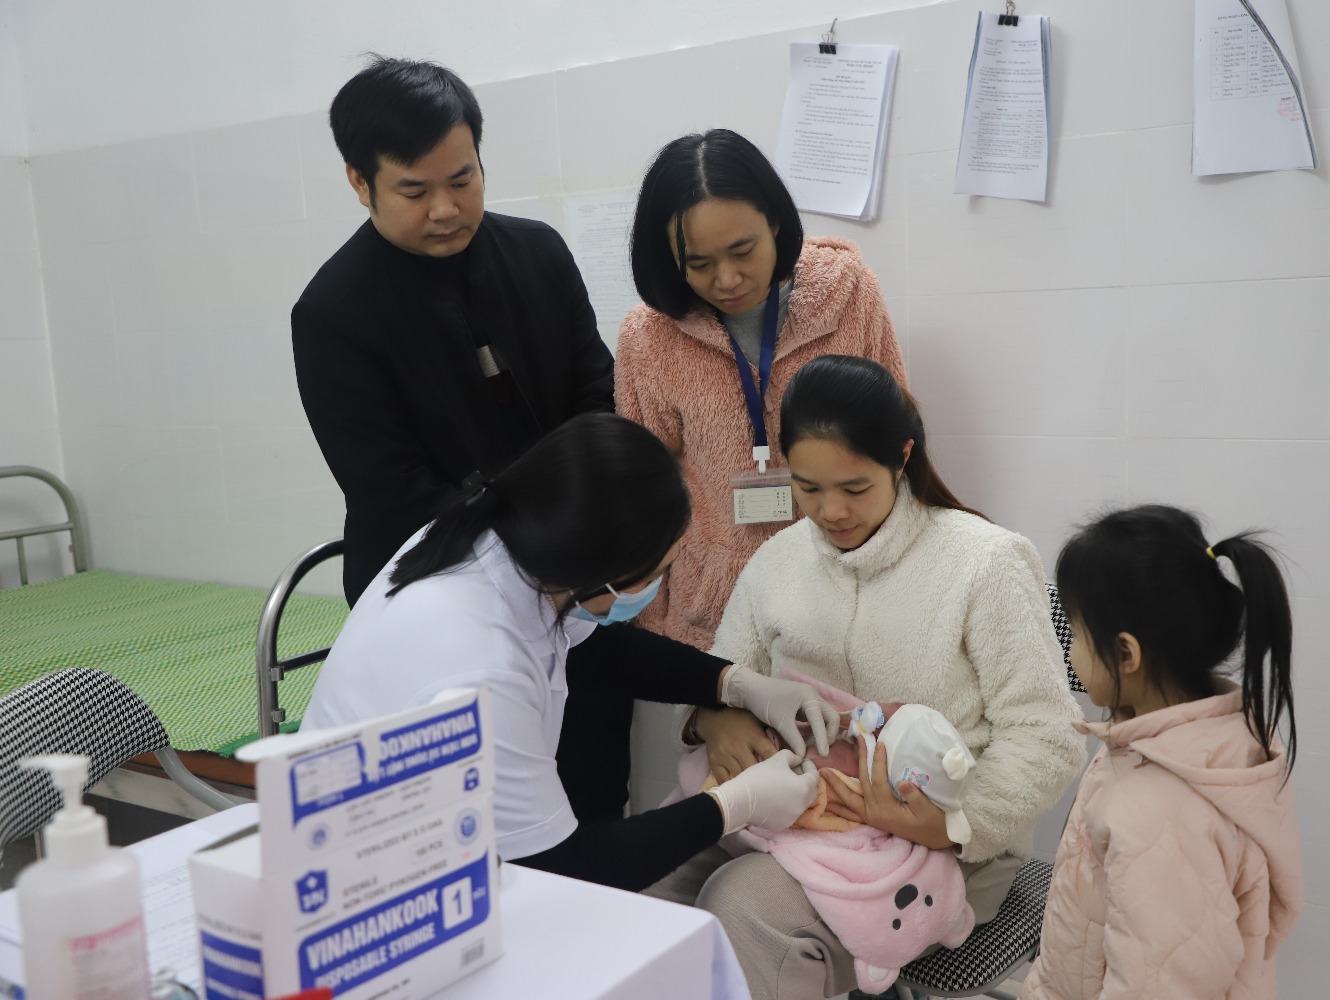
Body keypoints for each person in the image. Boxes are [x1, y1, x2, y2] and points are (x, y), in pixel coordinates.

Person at [648, 357, 1086, 1000]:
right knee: (653, 875)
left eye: (855, 488)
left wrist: (949, 825)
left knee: (743, 906)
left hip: (940, 845)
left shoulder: (985, 562)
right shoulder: (777, 560)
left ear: (902, 458)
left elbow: (1047, 734)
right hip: (791, 817)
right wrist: (716, 720)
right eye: (807, 487)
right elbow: (720, 673)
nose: (830, 511)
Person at [290, 56, 628, 822]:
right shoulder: (334, 314)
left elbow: (594, 397)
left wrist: (588, 547)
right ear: (359, 182)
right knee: (465, 821)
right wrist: (538, 558)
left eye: (463, 179)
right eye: (415, 191)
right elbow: (391, 487)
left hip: (574, 587)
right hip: (439, 602)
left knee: (592, 798)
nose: (445, 209)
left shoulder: (537, 253)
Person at [303, 414, 841, 892]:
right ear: (601, 573)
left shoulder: (509, 542)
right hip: (371, 882)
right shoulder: (483, 667)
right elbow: (570, 867)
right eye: (659, 572)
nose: (663, 583)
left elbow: (593, 650)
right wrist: (734, 805)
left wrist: (733, 682)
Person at [616, 129, 908, 651]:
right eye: (698, 264)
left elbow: (897, 435)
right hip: (715, 608)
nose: (727, 279)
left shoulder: (848, 296)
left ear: (774, 221)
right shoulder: (649, 337)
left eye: (743, 250)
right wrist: (653, 627)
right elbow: (642, 490)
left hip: (848, 587)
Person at [1020, 506, 1303, 1000]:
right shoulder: (1183, 737)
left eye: (1077, 634)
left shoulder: (1160, 815)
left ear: (1126, 654)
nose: (1070, 652)